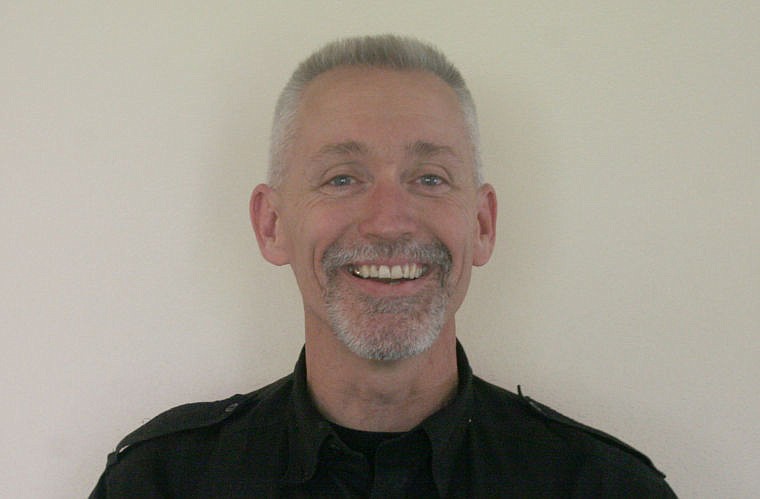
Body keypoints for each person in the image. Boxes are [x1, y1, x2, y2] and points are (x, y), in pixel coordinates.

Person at [91, 34, 676, 497]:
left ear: (482, 225)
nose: (390, 221)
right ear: (272, 225)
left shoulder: (604, 487)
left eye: (430, 178)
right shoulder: (160, 484)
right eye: (343, 178)